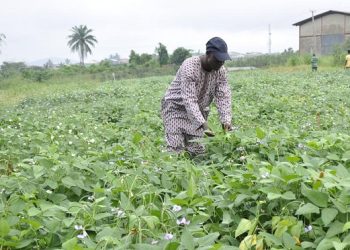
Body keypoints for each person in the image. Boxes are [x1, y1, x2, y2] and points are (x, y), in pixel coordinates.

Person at [161, 37, 233, 156]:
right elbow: (189, 99)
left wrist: (226, 121)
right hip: (175, 107)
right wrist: (203, 124)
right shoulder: (190, 66)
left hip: (198, 110)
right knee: (175, 148)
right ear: (208, 54)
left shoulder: (221, 71)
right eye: (217, 60)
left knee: (198, 152)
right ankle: (174, 171)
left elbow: (223, 95)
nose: (220, 63)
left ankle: (194, 173)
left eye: (223, 60)